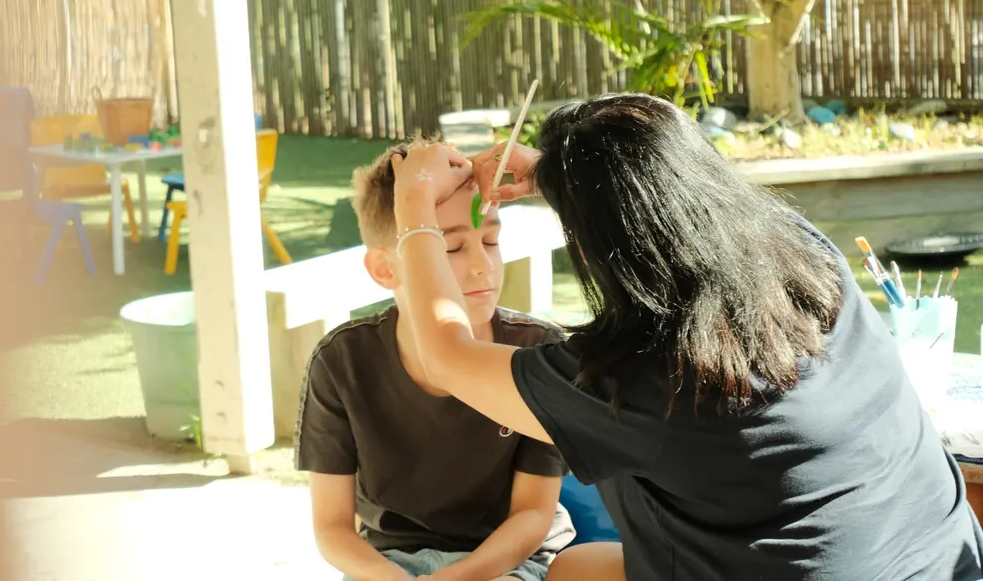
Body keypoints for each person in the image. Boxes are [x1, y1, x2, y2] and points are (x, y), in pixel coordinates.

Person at [387, 93, 983, 581]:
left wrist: (413, 210)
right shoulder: (803, 253)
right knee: (576, 569)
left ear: (601, 251)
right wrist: (554, 173)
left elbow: (445, 354)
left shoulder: (642, 376)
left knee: (571, 572)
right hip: (941, 556)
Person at [295, 140, 576, 581]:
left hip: (506, 563)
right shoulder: (341, 362)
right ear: (385, 269)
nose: (483, 266)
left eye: (491, 240)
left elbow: (531, 515)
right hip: (387, 565)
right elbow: (332, 527)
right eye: (451, 248)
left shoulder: (538, 350)